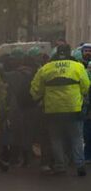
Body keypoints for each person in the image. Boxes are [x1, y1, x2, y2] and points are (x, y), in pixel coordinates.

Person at [30, 44, 91, 176]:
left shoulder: (46, 68)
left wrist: (39, 98)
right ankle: (80, 165)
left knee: (56, 138)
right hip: (73, 108)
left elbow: (35, 88)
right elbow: (86, 85)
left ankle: (60, 165)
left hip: (53, 109)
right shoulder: (78, 66)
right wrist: (81, 96)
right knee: (76, 137)